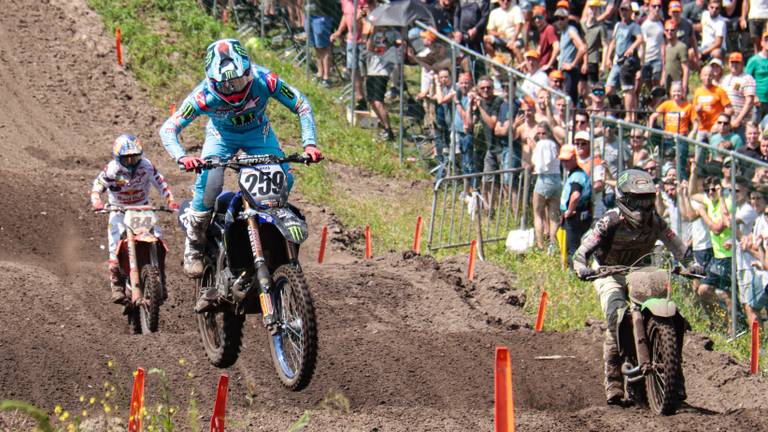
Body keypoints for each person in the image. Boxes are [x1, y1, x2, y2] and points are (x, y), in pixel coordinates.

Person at [159, 39, 322, 311]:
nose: (233, 90)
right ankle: (195, 243)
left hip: (259, 134)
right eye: (225, 85)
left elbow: (301, 104)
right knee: (210, 181)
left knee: (283, 175)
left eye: (237, 82)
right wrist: (183, 156)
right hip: (220, 138)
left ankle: (272, 237)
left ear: (248, 71)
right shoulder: (202, 96)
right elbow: (168, 129)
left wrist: (310, 143)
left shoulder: (265, 80)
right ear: (212, 81)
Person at [573, 169, 689, 405]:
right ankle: (614, 380)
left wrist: (691, 263)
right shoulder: (610, 221)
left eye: (647, 200)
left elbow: (677, 245)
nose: (644, 206)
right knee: (617, 316)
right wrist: (581, 267)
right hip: (607, 272)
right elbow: (583, 249)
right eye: (638, 200)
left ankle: (674, 377)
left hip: (640, 271)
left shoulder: (655, 221)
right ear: (624, 198)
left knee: (673, 316)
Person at [91, 135, 179, 304]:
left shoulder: (146, 166)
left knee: (158, 241)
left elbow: (161, 183)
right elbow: (98, 185)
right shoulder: (112, 169)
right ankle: (117, 285)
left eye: (135, 157)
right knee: (114, 247)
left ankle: (161, 281)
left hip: (143, 208)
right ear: (118, 157)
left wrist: (170, 201)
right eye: (127, 158)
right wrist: (97, 200)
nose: (131, 161)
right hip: (119, 210)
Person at [604, 0, 644, 119]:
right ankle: (618, 108)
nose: (624, 12)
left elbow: (640, 39)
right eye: (622, 9)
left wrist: (631, 48)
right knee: (609, 88)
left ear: (631, 11)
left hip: (628, 61)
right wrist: (608, 57)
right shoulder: (617, 25)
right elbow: (613, 42)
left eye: (626, 9)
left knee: (628, 88)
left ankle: (629, 115)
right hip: (617, 60)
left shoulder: (634, 26)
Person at [559, 144, 593, 267]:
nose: (565, 163)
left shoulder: (576, 176)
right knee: (577, 247)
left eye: (567, 160)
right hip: (582, 214)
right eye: (562, 161)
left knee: (572, 248)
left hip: (575, 216)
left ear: (574, 158)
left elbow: (575, 195)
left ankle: (574, 273)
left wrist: (569, 211)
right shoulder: (577, 173)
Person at [531, 122, 561, 251]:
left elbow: (538, 163)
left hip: (544, 178)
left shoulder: (541, 145)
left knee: (538, 213)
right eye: (539, 133)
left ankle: (540, 245)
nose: (541, 135)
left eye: (543, 133)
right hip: (556, 179)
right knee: (554, 214)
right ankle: (553, 244)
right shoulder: (554, 145)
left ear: (548, 133)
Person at [554, 7, 587, 105]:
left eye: (562, 18)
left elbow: (582, 48)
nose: (559, 21)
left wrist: (572, 64)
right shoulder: (563, 32)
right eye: (557, 18)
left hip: (569, 72)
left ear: (567, 19)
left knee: (567, 100)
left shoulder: (571, 31)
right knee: (566, 99)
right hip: (564, 71)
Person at [692, 65, 733, 143]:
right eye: (705, 75)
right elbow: (694, 113)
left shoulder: (719, 91)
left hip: (715, 130)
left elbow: (730, 110)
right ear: (701, 76)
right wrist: (698, 112)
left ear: (713, 76)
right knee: (699, 154)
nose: (707, 78)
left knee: (714, 153)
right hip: (701, 129)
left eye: (710, 75)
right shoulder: (697, 91)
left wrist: (720, 124)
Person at [720, 52, 756, 136]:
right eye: (732, 62)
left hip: (740, 123)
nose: (734, 65)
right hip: (725, 122)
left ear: (742, 64)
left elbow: (749, 102)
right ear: (728, 64)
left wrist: (738, 120)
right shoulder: (725, 78)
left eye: (737, 62)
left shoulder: (748, 79)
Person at [661, 20, 689, 95]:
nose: (669, 32)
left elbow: (685, 68)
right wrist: (663, 79)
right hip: (668, 85)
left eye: (672, 30)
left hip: (678, 85)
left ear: (676, 31)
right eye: (667, 30)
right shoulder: (665, 47)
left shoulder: (681, 46)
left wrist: (684, 86)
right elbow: (664, 66)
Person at [746, 30, 768, 121]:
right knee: (754, 127)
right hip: (758, 101)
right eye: (766, 40)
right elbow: (746, 79)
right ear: (761, 43)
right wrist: (753, 96)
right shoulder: (754, 60)